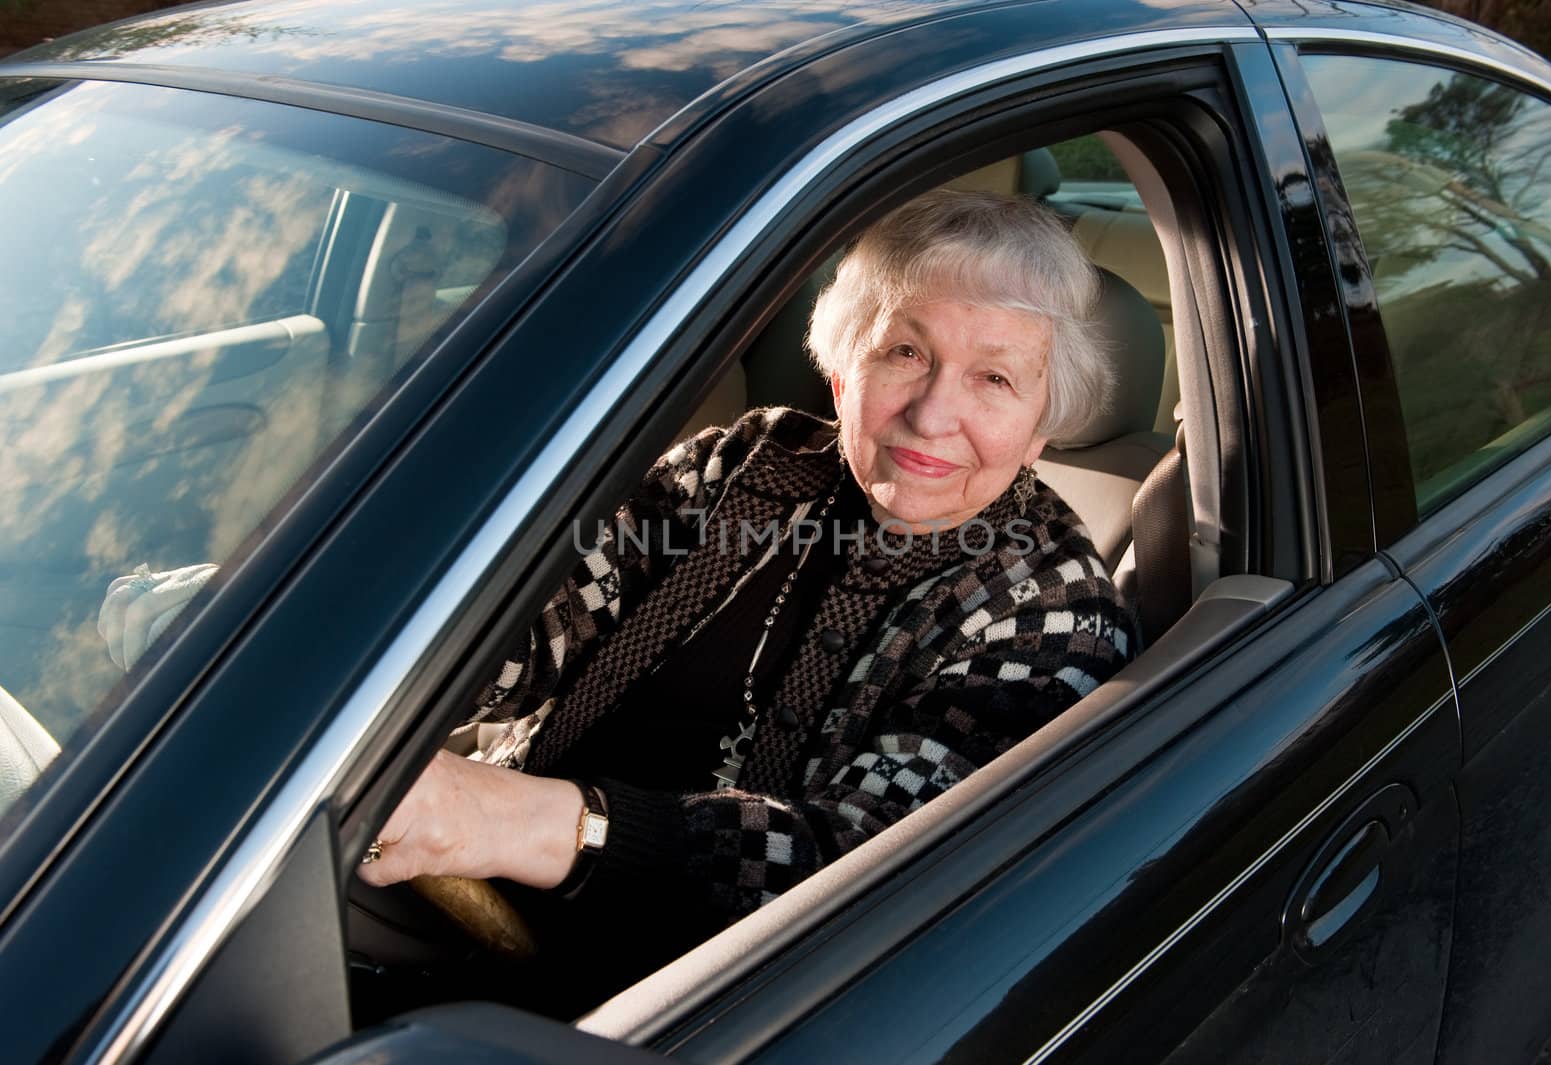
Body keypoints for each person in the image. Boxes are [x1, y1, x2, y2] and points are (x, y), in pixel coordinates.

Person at [105, 188, 1135, 997]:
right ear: (840, 370)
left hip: (700, 996)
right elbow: (519, 626)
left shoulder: (1050, 607)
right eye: (903, 351)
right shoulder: (747, 464)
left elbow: (862, 872)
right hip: (455, 882)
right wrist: (292, 628)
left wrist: (536, 823)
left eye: (995, 379)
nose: (929, 413)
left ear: (1045, 422)